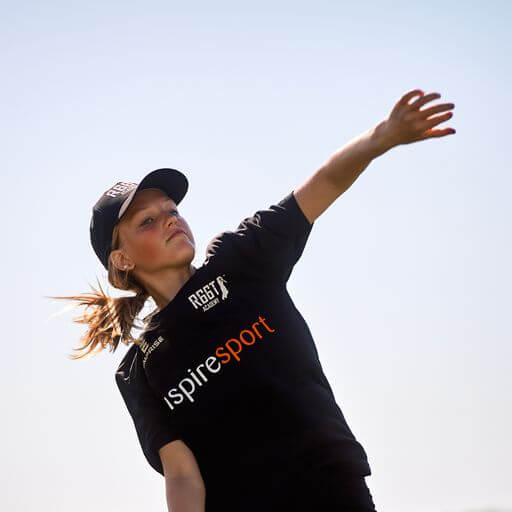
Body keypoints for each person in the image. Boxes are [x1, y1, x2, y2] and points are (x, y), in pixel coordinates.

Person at [51, 88, 455, 511]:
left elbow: (321, 186)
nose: (170, 220)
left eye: (172, 210)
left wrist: (382, 137)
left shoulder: (240, 260)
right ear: (122, 259)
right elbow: (183, 475)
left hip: (334, 491)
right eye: (148, 221)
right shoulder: (140, 370)